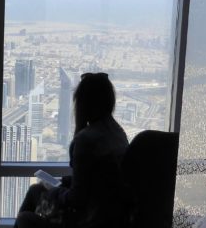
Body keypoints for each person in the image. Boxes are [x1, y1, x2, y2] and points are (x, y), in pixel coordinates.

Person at [15, 72, 129, 228]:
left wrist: (55, 192)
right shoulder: (119, 133)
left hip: (85, 219)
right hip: (109, 217)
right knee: (35, 191)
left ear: (83, 103)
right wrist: (66, 182)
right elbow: (95, 179)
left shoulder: (86, 140)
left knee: (25, 218)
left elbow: (77, 199)